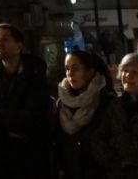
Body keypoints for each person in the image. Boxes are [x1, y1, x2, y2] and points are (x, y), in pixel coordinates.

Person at [0, 23, 53, 178]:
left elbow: (35, 117)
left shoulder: (35, 77)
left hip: (29, 157)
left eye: (5, 39)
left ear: (19, 45)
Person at [54, 50, 114, 179]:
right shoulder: (61, 103)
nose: (70, 74)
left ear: (90, 72)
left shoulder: (107, 102)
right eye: (67, 69)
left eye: (75, 69)